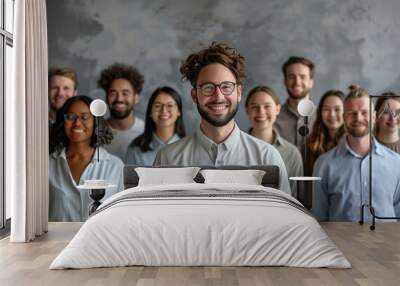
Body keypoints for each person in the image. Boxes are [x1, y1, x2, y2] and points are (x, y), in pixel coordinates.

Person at [154, 42, 290, 194]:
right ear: (194, 96)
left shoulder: (267, 157)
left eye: (226, 87)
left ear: (238, 93)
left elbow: (284, 217)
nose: (218, 97)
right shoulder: (167, 158)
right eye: (208, 88)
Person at [312, 85, 400, 221]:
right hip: (339, 242)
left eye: (364, 112)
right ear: (343, 117)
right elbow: (318, 219)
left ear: (374, 116)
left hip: (387, 242)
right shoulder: (324, 165)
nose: (358, 118)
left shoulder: (396, 163)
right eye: (352, 113)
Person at [49, 96, 124, 222]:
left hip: (99, 241)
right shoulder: (47, 164)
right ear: (63, 121)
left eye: (84, 117)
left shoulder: (115, 166)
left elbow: (122, 216)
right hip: (57, 241)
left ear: (95, 121)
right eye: (70, 117)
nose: (77, 123)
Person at [245, 85, 303, 194]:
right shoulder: (234, 148)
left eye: (267, 106)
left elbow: (295, 197)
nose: (261, 112)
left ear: (277, 109)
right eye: (254, 107)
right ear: (246, 110)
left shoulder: (292, 153)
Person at [126, 86, 186, 165]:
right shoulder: (135, 149)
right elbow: (131, 177)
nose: (164, 110)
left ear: (179, 111)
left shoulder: (189, 148)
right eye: (158, 106)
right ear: (150, 112)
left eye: (170, 106)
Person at [97, 63, 145, 162]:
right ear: (106, 97)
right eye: (113, 93)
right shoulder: (95, 133)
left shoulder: (146, 132)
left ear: (136, 98)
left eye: (125, 93)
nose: (119, 99)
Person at [275, 56, 316, 150]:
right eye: (291, 77)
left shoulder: (323, 117)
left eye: (302, 77)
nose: (297, 82)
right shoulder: (272, 117)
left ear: (311, 82)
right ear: (285, 81)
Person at [304, 90, 345, 175]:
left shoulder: (352, 143)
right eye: (326, 109)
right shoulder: (311, 144)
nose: (332, 114)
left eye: (337, 109)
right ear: (320, 113)